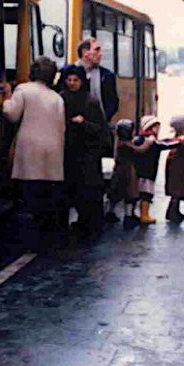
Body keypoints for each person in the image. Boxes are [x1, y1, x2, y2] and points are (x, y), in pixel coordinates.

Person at [3, 57, 65, 247]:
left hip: (30, 152)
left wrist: (6, 97)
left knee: (29, 197)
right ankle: (47, 240)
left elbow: (11, 114)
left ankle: (30, 242)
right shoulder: (57, 98)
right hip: (53, 154)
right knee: (47, 200)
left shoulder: (23, 90)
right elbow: (62, 127)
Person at [58, 65, 108, 239]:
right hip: (68, 152)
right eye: (69, 80)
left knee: (87, 191)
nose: (72, 83)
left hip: (87, 153)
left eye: (75, 80)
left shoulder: (90, 101)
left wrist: (83, 123)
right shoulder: (60, 99)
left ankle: (89, 226)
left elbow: (100, 128)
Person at [132, 115, 176, 224]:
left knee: (138, 193)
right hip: (148, 172)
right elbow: (165, 144)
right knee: (146, 194)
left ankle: (134, 213)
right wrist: (178, 141)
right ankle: (144, 215)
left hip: (139, 171)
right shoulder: (152, 141)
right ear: (150, 127)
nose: (158, 129)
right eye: (156, 127)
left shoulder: (139, 139)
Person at [111, 119, 147, 228]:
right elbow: (139, 150)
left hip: (119, 170)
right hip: (127, 171)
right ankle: (128, 217)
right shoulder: (125, 144)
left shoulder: (120, 142)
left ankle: (110, 212)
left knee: (116, 194)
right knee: (129, 194)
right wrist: (148, 142)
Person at [76, 38, 120, 122]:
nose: (100, 54)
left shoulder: (107, 76)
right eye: (96, 50)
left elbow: (113, 102)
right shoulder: (69, 73)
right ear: (85, 52)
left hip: (99, 125)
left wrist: (103, 119)